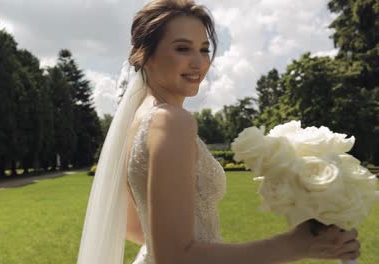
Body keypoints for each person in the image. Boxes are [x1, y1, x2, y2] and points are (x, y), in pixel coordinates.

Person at [77, 1, 361, 263]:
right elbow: (175, 257)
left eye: (204, 49)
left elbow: (133, 226)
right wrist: (295, 245)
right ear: (145, 56)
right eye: (182, 48)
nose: (199, 63)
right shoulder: (172, 121)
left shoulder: (138, 120)